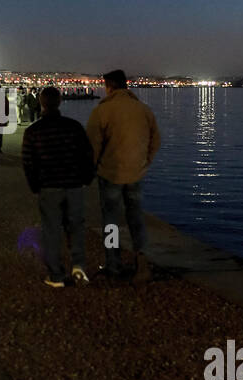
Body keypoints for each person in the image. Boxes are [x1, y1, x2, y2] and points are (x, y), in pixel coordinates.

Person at [86, 69, 161, 285]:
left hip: (110, 174)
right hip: (136, 173)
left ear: (109, 86)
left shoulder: (102, 111)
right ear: (126, 85)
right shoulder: (143, 110)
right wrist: (146, 161)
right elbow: (156, 139)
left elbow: (92, 146)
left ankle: (113, 264)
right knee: (136, 218)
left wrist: (92, 169)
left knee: (111, 221)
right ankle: (142, 262)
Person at [22, 87, 96, 288]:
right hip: (73, 184)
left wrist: (35, 186)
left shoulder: (33, 131)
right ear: (60, 101)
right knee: (76, 227)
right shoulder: (74, 127)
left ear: (41, 103)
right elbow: (87, 155)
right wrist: (87, 178)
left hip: (48, 186)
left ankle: (56, 275)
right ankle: (78, 266)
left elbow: (28, 162)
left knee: (51, 230)